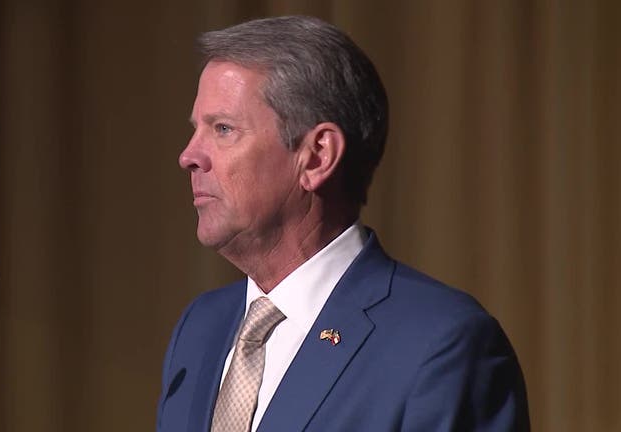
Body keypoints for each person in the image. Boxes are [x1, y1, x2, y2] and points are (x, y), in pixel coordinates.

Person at [157, 15, 529, 432]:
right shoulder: (200, 327)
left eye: (223, 129)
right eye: (196, 131)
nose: (189, 155)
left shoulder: (441, 345)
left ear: (317, 156)